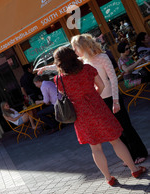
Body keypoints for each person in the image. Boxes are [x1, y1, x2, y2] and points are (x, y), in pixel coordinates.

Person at [52, 46, 146, 186]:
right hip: (98, 108)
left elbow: (65, 95)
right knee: (116, 140)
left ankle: (108, 178)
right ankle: (134, 169)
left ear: (59, 62)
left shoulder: (59, 79)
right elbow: (100, 86)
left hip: (81, 115)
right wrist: (94, 95)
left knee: (95, 148)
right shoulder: (88, 69)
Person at [71, 34, 148, 165]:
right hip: (99, 100)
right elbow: (64, 66)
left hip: (112, 97)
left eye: (75, 48)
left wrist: (116, 101)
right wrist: (46, 68)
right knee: (115, 130)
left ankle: (139, 153)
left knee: (125, 127)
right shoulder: (82, 61)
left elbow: (113, 79)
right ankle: (128, 156)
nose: (74, 51)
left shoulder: (102, 57)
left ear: (82, 47)